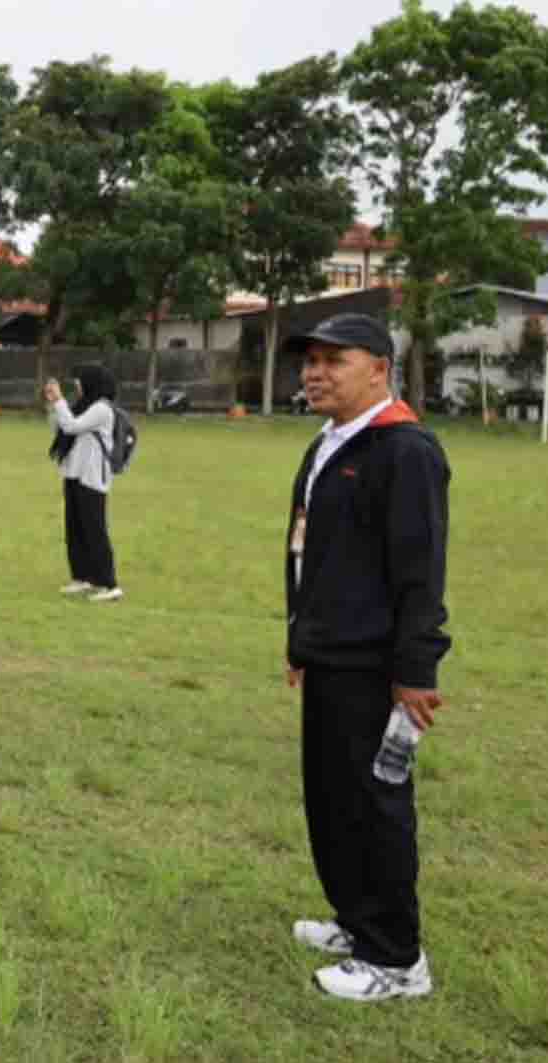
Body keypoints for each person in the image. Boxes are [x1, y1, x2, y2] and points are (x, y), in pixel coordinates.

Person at [280, 314, 449, 1002]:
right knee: (332, 799)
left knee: (376, 804)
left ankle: (397, 958)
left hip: (374, 667)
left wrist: (416, 673)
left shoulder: (405, 451)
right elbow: (306, 554)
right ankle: (356, 920)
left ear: (378, 366)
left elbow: (419, 572)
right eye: (310, 361)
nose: (315, 373)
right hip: (327, 654)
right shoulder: (330, 442)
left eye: (333, 360)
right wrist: (300, 641)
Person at [44, 364, 123, 603]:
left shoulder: (102, 409)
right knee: (75, 529)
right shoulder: (85, 406)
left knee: (95, 530)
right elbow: (59, 427)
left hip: (92, 478)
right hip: (74, 473)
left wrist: (59, 401)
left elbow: (72, 426)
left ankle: (108, 584)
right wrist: (53, 404)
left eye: (80, 381)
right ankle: (82, 577)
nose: (76, 385)